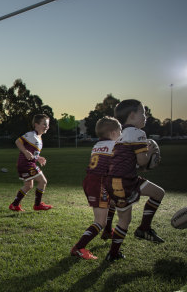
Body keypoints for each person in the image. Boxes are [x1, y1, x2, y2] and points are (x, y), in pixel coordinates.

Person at [104, 99, 165, 261]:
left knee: (156, 194)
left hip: (118, 179)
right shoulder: (138, 133)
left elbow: (126, 162)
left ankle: (141, 231)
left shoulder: (117, 133)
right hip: (125, 181)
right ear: (132, 115)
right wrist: (150, 152)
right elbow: (142, 161)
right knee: (126, 218)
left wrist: (142, 165)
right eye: (143, 113)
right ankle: (117, 250)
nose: (145, 116)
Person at [70, 117, 121, 260]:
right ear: (112, 132)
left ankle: (108, 231)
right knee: (100, 221)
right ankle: (78, 247)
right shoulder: (114, 146)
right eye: (120, 131)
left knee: (112, 201)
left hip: (91, 181)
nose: (121, 134)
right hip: (99, 183)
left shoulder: (97, 145)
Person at [9, 114, 53, 212]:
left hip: (25, 164)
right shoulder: (31, 134)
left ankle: (14, 205)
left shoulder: (39, 138)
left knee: (28, 185)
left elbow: (33, 154)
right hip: (26, 164)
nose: (47, 127)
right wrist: (25, 151)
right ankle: (37, 205)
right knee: (43, 181)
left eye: (48, 125)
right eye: (44, 124)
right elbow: (17, 141)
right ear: (36, 125)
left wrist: (38, 158)